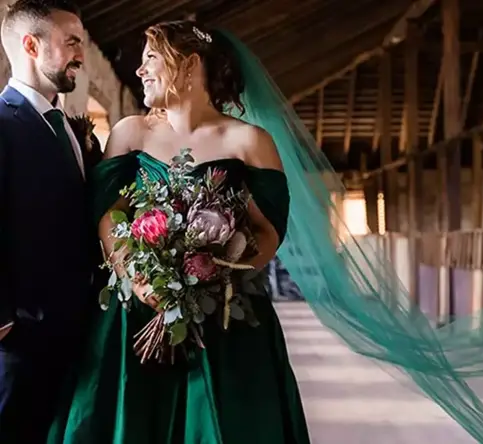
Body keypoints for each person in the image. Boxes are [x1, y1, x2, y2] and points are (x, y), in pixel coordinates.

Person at [47, 20, 310, 443]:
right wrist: (139, 277)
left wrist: (212, 277)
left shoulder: (248, 141)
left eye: (150, 57)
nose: (140, 70)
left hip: (225, 320)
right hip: (134, 313)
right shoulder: (131, 133)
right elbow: (109, 215)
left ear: (188, 65)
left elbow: (267, 232)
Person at [0, 0, 102, 441]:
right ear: (30, 45)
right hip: (21, 337)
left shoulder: (69, 126)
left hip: (78, 329)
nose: (81, 54)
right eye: (71, 42)